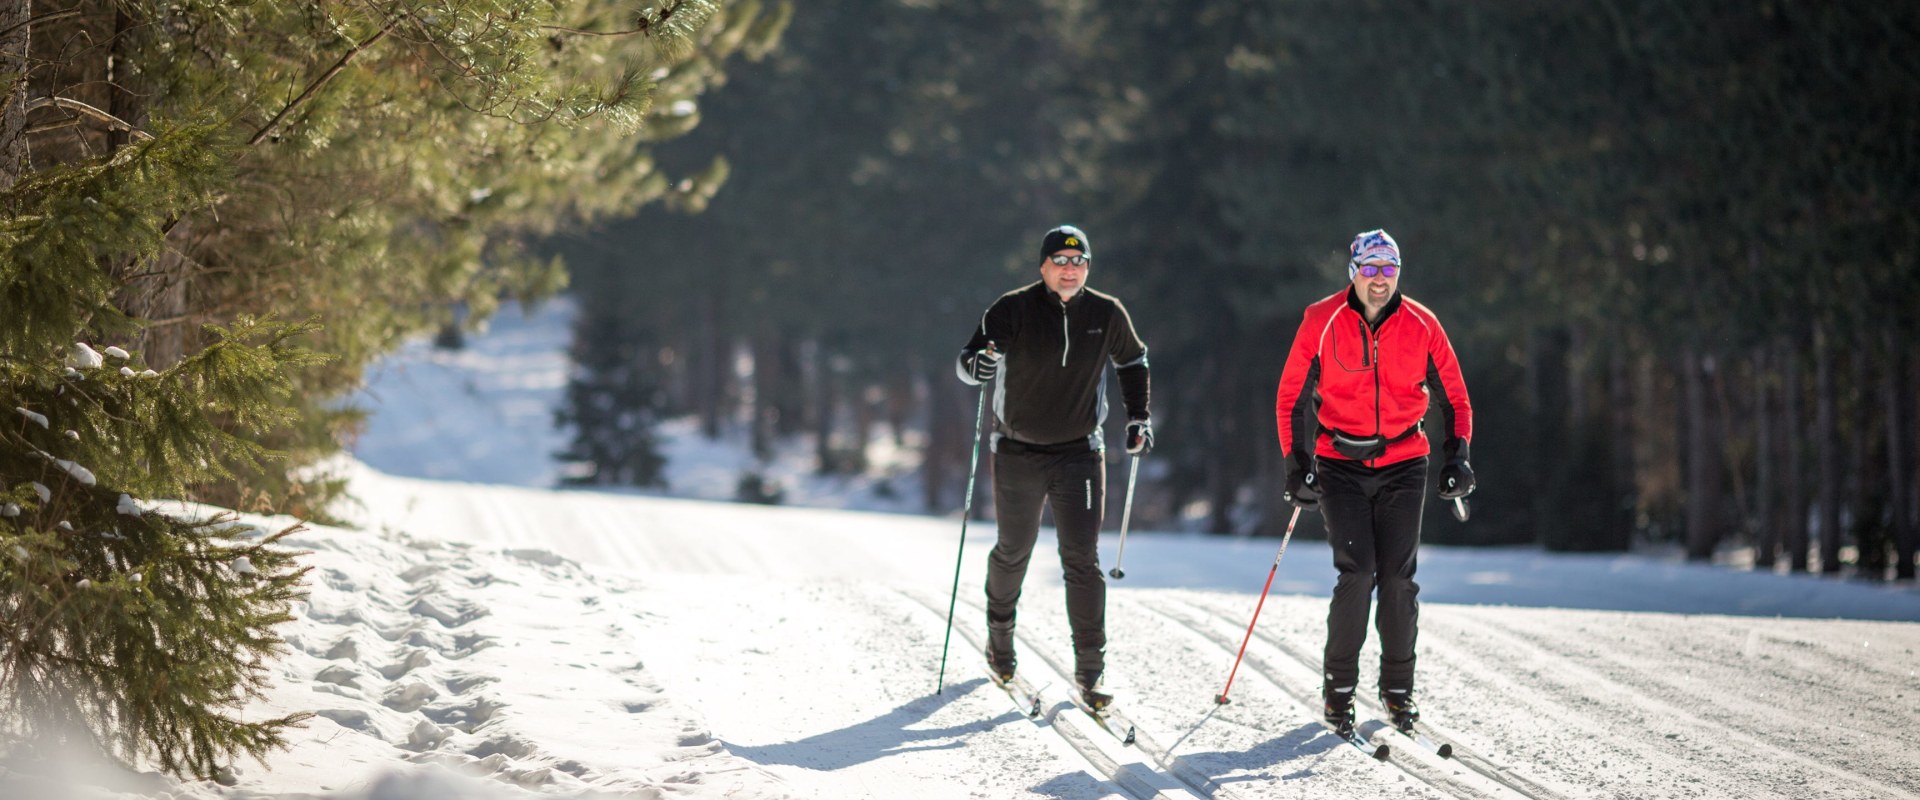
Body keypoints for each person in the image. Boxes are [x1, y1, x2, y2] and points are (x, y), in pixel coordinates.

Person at [1272, 229, 1475, 737]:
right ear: (1353, 272)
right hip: (1339, 462)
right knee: (1357, 573)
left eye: (1389, 269)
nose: (1380, 279)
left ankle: (1398, 690)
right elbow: (1290, 398)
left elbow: (1456, 398)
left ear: (1398, 273)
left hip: (1405, 461)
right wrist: (1296, 466)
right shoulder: (1321, 320)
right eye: (1370, 268)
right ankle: (1339, 691)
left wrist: (1458, 457)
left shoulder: (1423, 324)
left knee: (1398, 580)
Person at [956, 224, 1152, 710]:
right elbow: (970, 358)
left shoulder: (1106, 313)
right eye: (1060, 261)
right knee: (1013, 551)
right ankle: (999, 639)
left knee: (1081, 559)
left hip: (1080, 453)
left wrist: (1140, 418)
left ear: (1088, 267)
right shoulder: (1013, 307)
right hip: (1017, 449)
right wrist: (975, 366)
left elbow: (1133, 362)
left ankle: (1091, 671)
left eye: (1079, 261)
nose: (1070, 270)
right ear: (1043, 267)